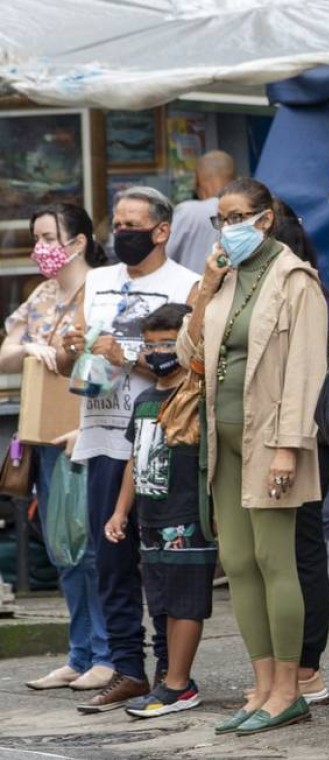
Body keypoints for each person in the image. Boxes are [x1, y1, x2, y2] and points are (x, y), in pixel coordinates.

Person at [178, 177, 328, 736]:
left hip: (272, 438)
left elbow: (307, 369)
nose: (228, 227)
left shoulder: (295, 280)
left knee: (274, 560)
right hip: (225, 437)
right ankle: (262, 685)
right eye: (221, 218)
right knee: (238, 563)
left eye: (238, 215)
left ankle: (290, 687)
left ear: (265, 218)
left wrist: (290, 445)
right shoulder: (225, 277)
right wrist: (205, 289)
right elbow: (188, 354)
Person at [58, 187, 200, 713]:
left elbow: (190, 368)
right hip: (100, 433)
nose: (122, 234)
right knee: (110, 559)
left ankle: (170, 669)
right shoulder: (97, 281)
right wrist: (69, 348)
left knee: (163, 560)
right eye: (116, 224)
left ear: (161, 230)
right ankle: (125, 667)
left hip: (162, 434)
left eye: (133, 225)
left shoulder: (187, 284)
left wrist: (125, 356)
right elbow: (65, 350)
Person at [5, 204, 114, 693]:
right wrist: (29, 348)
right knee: (63, 547)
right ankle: (79, 653)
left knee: (94, 547)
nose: (40, 247)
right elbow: (4, 350)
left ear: (79, 241)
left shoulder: (106, 287)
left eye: (49, 236)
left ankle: (109, 652)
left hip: (94, 432)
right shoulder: (41, 295)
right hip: (47, 434)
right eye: (37, 237)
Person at [102, 303, 214, 718]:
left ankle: (178, 685)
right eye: (149, 345)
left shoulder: (199, 398)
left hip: (188, 515)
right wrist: (119, 512)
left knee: (186, 601)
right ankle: (171, 680)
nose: (157, 352)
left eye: (167, 343)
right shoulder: (147, 398)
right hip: (150, 520)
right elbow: (135, 458)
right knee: (163, 603)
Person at [269, 199, 329, 706]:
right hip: (273, 437)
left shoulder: (306, 290)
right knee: (279, 553)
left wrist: (291, 444)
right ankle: (288, 665)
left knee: (301, 548)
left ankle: (308, 666)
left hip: (306, 438)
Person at [168, 151, 237, 273]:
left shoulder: (187, 212)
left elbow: (161, 256)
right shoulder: (250, 212)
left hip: (194, 290)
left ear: (197, 179)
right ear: (236, 179)